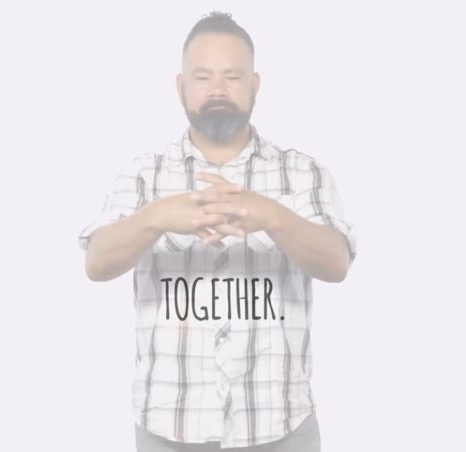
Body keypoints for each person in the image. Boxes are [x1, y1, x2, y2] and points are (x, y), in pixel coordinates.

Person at [79, 11, 357, 452]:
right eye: (203, 76)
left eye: (232, 75)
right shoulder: (141, 175)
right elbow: (95, 263)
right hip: (168, 428)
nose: (218, 89)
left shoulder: (303, 173)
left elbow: (337, 263)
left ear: (255, 85)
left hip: (280, 425)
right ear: (181, 87)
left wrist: (273, 217)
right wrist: (155, 217)